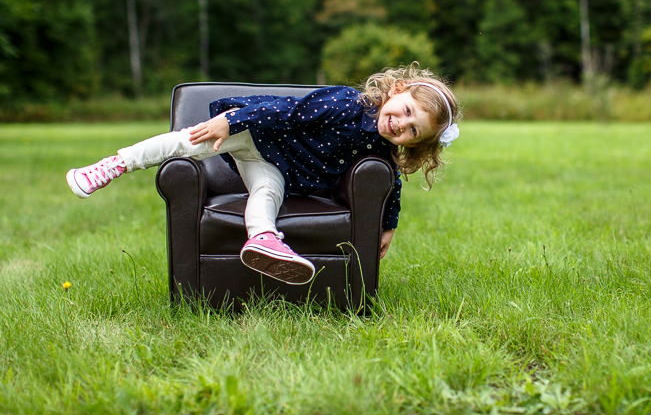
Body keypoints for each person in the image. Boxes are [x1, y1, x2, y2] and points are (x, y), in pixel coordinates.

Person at [65, 65, 460, 286]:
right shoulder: (345, 103)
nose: (400, 125)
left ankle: (265, 241)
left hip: (273, 163)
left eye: (413, 131)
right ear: (398, 90)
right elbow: (284, 109)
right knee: (187, 142)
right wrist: (231, 120)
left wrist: (387, 226)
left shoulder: (380, 151)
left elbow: (390, 186)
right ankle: (113, 165)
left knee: (268, 190)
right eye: (406, 111)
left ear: (416, 143)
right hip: (254, 130)